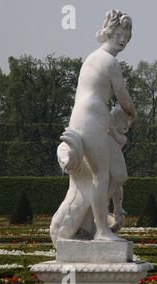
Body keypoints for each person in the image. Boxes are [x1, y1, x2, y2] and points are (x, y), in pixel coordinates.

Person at [50, 10, 137, 244]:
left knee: (106, 176)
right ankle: (102, 231)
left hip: (86, 119)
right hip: (91, 119)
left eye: (126, 38)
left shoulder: (92, 58)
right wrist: (132, 113)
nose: (122, 41)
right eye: (119, 34)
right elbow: (124, 98)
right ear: (109, 31)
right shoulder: (109, 62)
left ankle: (88, 225)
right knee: (101, 176)